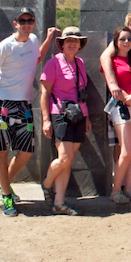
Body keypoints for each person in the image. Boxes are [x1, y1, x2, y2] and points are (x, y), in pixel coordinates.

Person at [0, 7, 56, 216]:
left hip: (24, 104)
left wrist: (49, 39)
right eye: (22, 21)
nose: (26, 24)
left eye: (30, 20)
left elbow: (37, 58)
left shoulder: (33, 40)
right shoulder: (5, 46)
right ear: (15, 23)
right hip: (3, 104)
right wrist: (3, 86)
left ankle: (3, 183)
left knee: (26, 151)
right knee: (1, 150)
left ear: (34, 23)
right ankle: (7, 196)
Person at [39, 27, 91, 216]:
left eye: (76, 41)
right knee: (64, 158)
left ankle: (59, 202)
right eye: (68, 40)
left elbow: (82, 93)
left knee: (68, 161)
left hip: (78, 114)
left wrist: (86, 117)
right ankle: (47, 184)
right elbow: (44, 93)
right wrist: (46, 120)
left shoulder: (80, 63)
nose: (72, 43)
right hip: (60, 114)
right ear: (61, 43)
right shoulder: (53, 63)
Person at [99, 10, 131, 189]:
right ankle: (117, 188)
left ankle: (129, 187)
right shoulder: (114, 51)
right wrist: (113, 85)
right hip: (121, 105)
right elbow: (104, 58)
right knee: (124, 149)